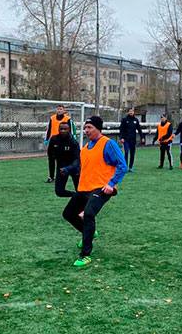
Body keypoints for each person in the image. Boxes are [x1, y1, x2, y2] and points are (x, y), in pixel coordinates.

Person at [60, 116, 128, 267]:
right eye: (85, 128)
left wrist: (111, 184)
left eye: (89, 127)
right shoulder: (85, 148)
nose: (86, 130)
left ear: (98, 128)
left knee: (89, 213)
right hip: (84, 188)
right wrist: (67, 169)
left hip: (102, 187)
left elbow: (122, 165)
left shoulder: (108, 144)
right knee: (68, 214)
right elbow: (80, 166)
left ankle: (85, 255)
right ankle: (89, 233)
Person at [49, 121, 80, 198]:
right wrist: (51, 175)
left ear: (69, 130)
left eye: (65, 129)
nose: (63, 131)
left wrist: (68, 168)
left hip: (74, 167)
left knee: (80, 190)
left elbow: (77, 160)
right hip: (61, 168)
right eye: (61, 129)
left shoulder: (73, 142)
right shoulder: (54, 139)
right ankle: (76, 196)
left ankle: (84, 206)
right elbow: (51, 158)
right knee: (59, 192)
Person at [45, 104, 73, 182]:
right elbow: (49, 129)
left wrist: (69, 141)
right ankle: (51, 177)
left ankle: (60, 176)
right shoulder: (52, 118)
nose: (59, 110)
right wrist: (47, 139)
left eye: (61, 109)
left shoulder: (67, 119)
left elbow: (70, 131)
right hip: (53, 141)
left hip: (62, 141)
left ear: (64, 110)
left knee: (61, 160)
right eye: (58, 109)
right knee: (51, 159)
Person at [119, 107, 144, 172]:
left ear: (133, 112)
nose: (131, 112)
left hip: (133, 140)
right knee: (126, 152)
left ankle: (130, 167)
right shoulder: (124, 120)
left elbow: (139, 129)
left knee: (132, 154)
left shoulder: (136, 120)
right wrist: (121, 138)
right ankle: (125, 167)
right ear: (128, 112)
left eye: (132, 111)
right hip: (126, 139)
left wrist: (142, 137)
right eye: (130, 111)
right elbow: (121, 129)